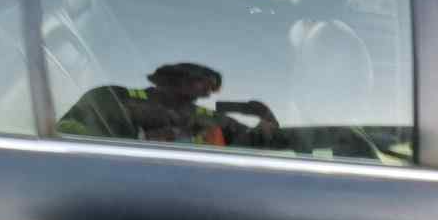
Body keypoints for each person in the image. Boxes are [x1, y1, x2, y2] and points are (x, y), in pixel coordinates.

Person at [57, 63, 286, 150]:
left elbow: (260, 139)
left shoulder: (207, 118)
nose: (207, 92)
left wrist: (265, 117)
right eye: (199, 81)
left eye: (210, 88)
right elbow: (66, 136)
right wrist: (144, 137)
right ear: (166, 80)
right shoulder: (111, 97)